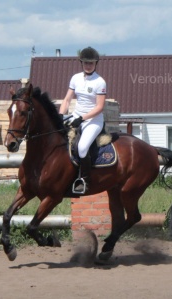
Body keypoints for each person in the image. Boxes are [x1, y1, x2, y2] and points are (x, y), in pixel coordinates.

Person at [59, 46, 107, 193]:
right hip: (76, 115)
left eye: (91, 63)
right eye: (86, 63)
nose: (88, 66)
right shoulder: (75, 78)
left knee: (82, 147)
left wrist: (82, 118)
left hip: (93, 120)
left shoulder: (100, 82)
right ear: (81, 63)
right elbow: (67, 99)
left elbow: (99, 107)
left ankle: (83, 180)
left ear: (95, 64)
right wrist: (60, 115)